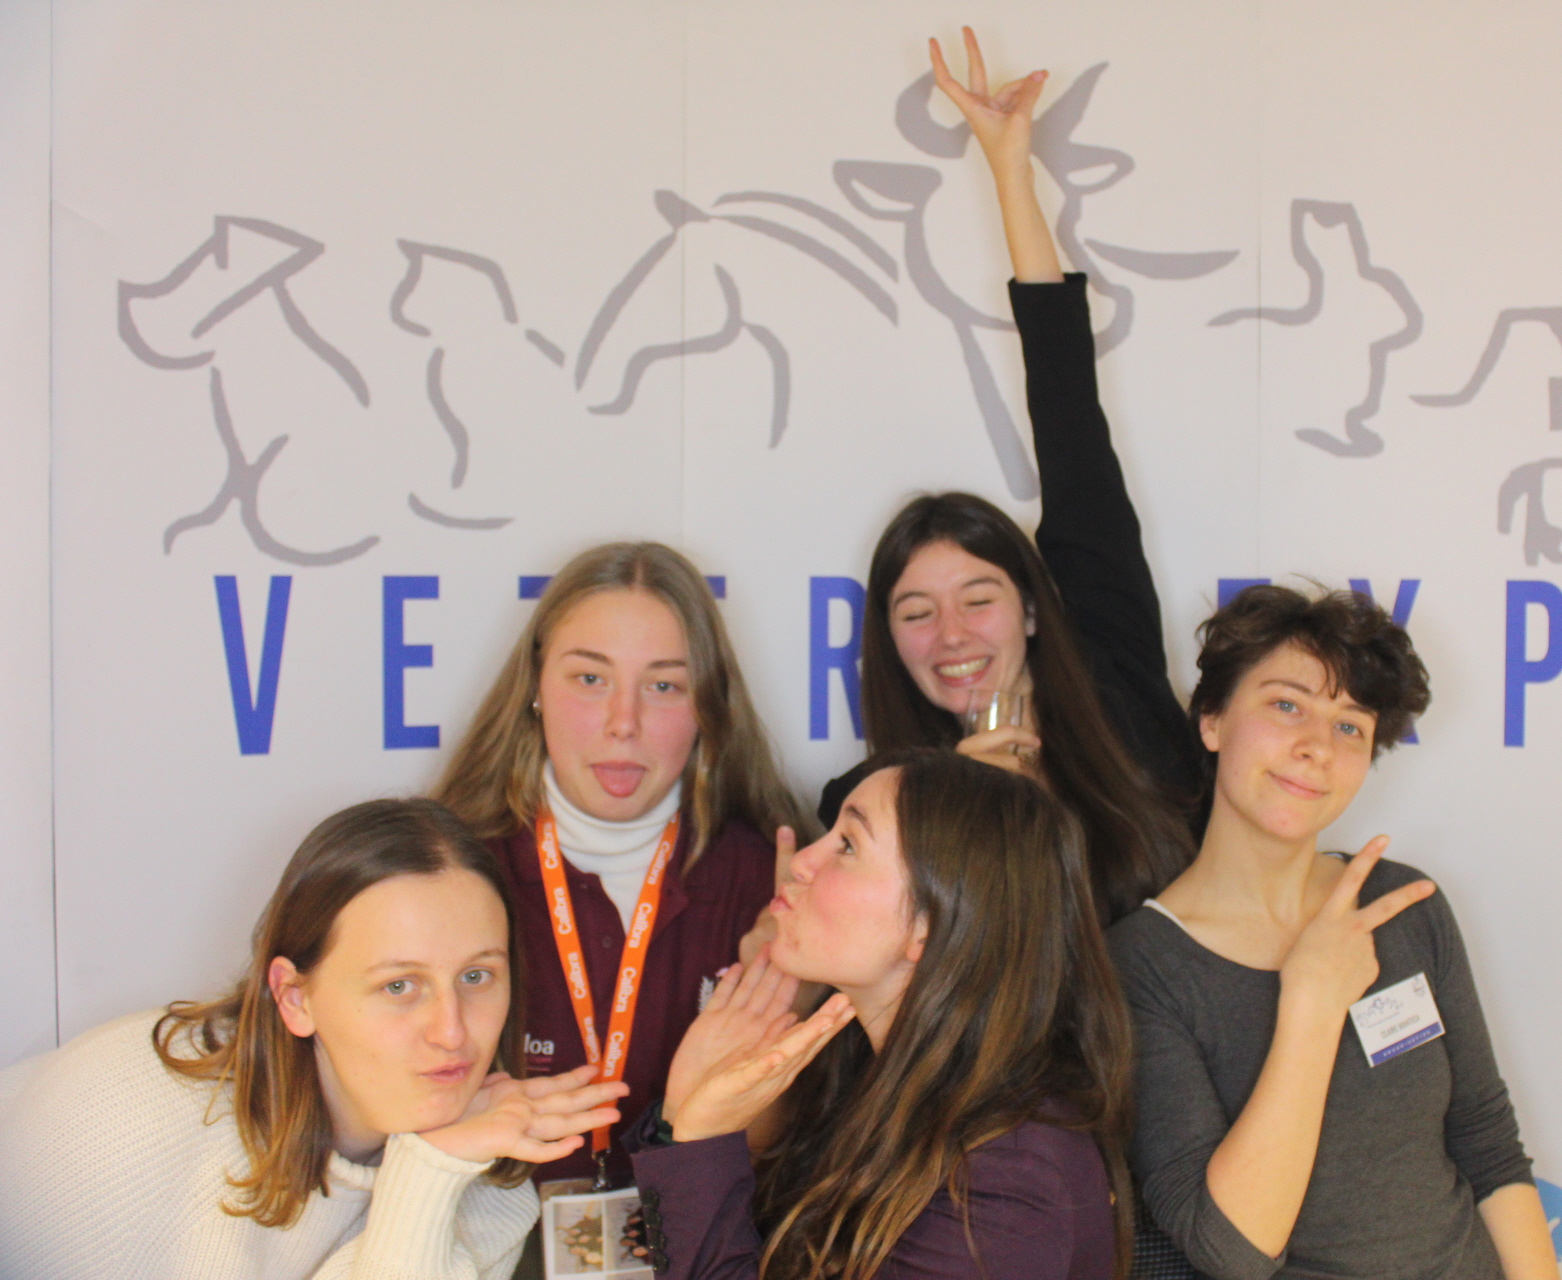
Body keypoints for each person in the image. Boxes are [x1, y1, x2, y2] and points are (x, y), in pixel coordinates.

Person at [815, 31, 1198, 927]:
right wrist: (948, 806)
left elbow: (1071, 424)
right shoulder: (864, 808)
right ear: (888, 640)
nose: (951, 634)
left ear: (1030, 608)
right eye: (916, 612)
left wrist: (1010, 170)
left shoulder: (1116, 690)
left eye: (978, 598)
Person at [1108, 586, 1560, 1280]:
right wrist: (1313, 1005)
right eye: (1287, 706)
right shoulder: (1140, 964)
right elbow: (1231, 1249)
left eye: (1350, 726)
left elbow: (1489, 1149)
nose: (1317, 746)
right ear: (1213, 720)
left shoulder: (1405, 904)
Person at [0, 797, 626, 1280]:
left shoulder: (482, 1179)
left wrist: (430, 1171)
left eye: (476, 976)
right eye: (399, 986)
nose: (452, 1030)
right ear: (295, 997)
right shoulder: (116, 1120)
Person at [621, 750, 1132, 1279]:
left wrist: (699, 1139)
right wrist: (681, 1117)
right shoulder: (865, 1065)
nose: (802, 861)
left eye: (847, 845)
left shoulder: (1007, 1179)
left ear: (931, 925)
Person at [433, 541, 812, 1190]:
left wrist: (782, 1013)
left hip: (698, 1237)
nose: (623, 723)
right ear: (535, 688)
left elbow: (786, 1165)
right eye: (590, 679)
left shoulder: (773, 888)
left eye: (664, 686)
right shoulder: (447, 874)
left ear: (707, 707)